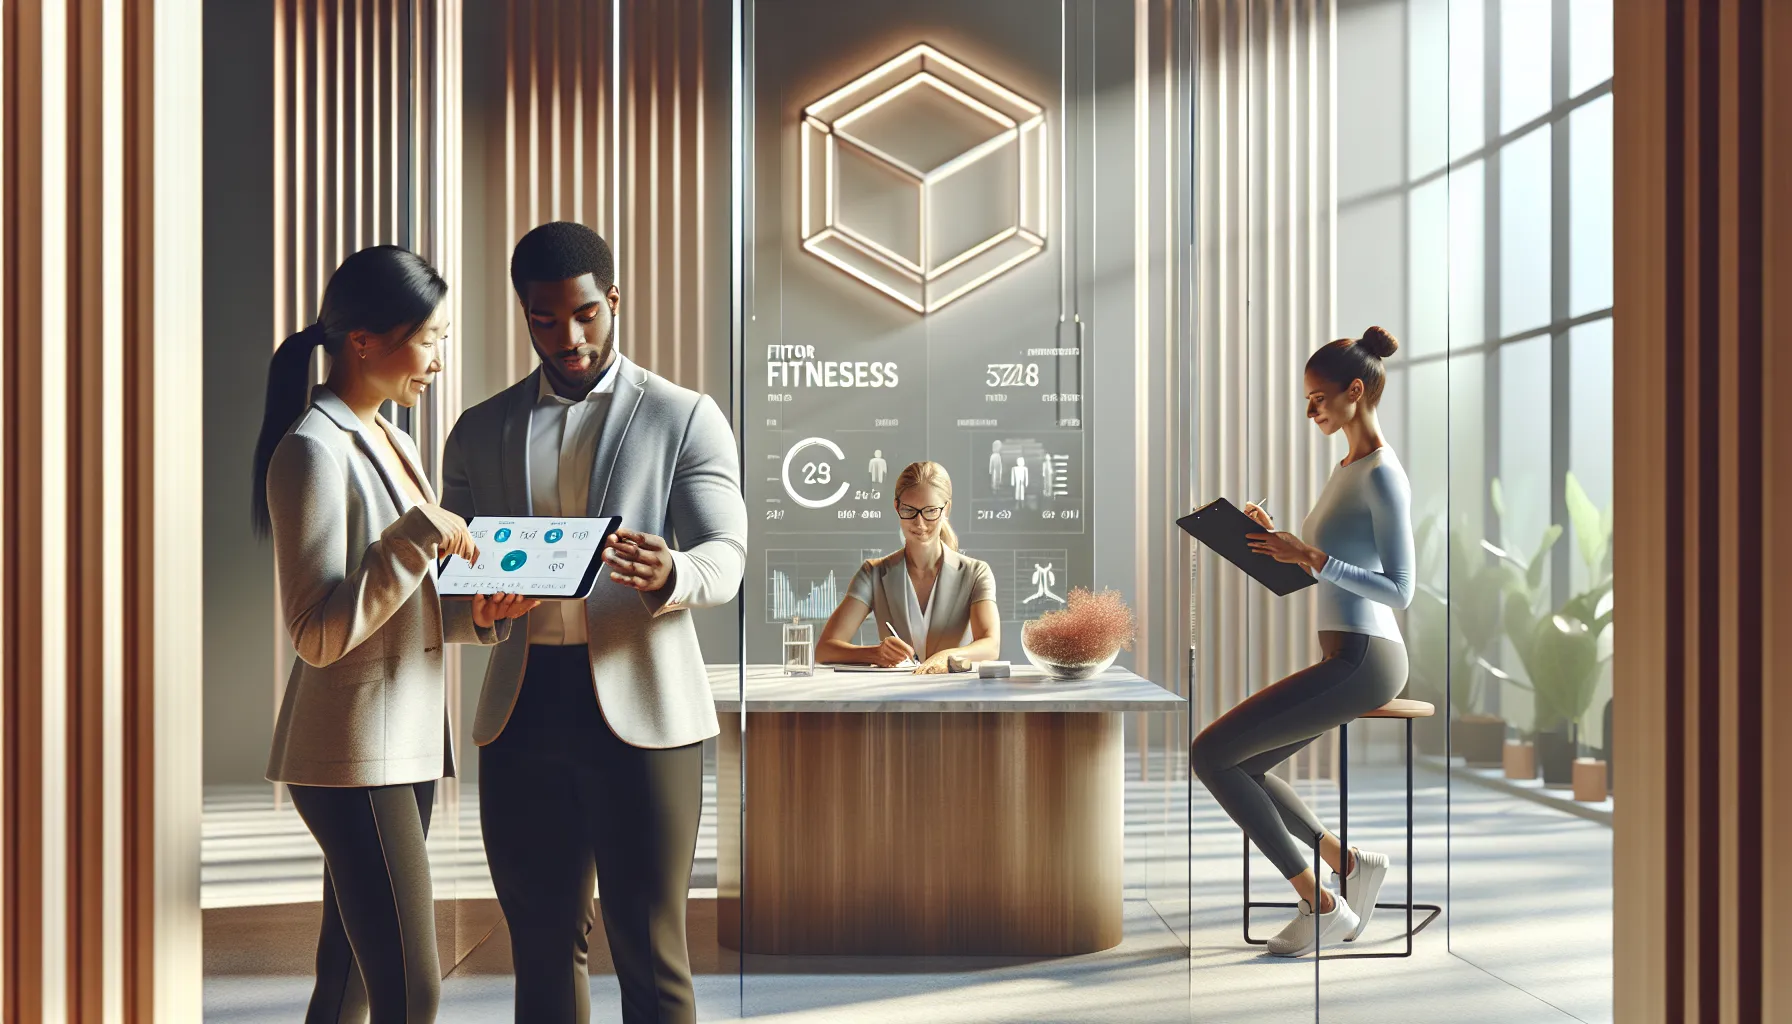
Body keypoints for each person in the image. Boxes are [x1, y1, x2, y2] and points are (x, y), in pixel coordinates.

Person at [440, 222, 747, 1024]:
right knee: (540, 950)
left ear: (612, 301)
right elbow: (449, 577)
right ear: (524, 313)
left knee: (650, 948)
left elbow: (728, 552)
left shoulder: (684, 416)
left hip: (645, 714)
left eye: (583, 315)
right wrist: (477, 607)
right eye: (544, 319)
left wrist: (674, 571)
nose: (567, 337)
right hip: (520, 712)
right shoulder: (478, 429)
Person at [254, 245, 538, 1024]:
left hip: (402, 743)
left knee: (347, 980)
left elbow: (395, 607)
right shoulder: (312, 451)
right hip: (354, 754)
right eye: (430, 338)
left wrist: (473, 618)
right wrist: (412, 540)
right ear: (364, 342)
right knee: (413, 991)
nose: (440, 359)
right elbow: (315, 633)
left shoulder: (396, 441)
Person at [1190, 326, 1415, 958]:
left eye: (1319, 398)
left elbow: (1400, 591)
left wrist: (1311, 555)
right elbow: (1320, 566)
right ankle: (1350, 863)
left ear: (1355, 390)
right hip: (1344, 654)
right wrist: (1272, 542)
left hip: (1369, 657)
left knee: (1212, 755)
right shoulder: (1346, 466)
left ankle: (1322, 903)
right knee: (1245, 763)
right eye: (1307, 399)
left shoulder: (1382, 475)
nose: (1311, 410)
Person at [816, 461, 1001, 674]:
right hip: (892, 700)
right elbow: (825, 649)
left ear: (946, 508)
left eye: (930, 511)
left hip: (955, 696)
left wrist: (945, 656)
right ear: (897, 506)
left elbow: (990, 645)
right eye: (909, 510)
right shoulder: (873, 573)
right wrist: (874, 653)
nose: (920, 523)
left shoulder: (975, 573)